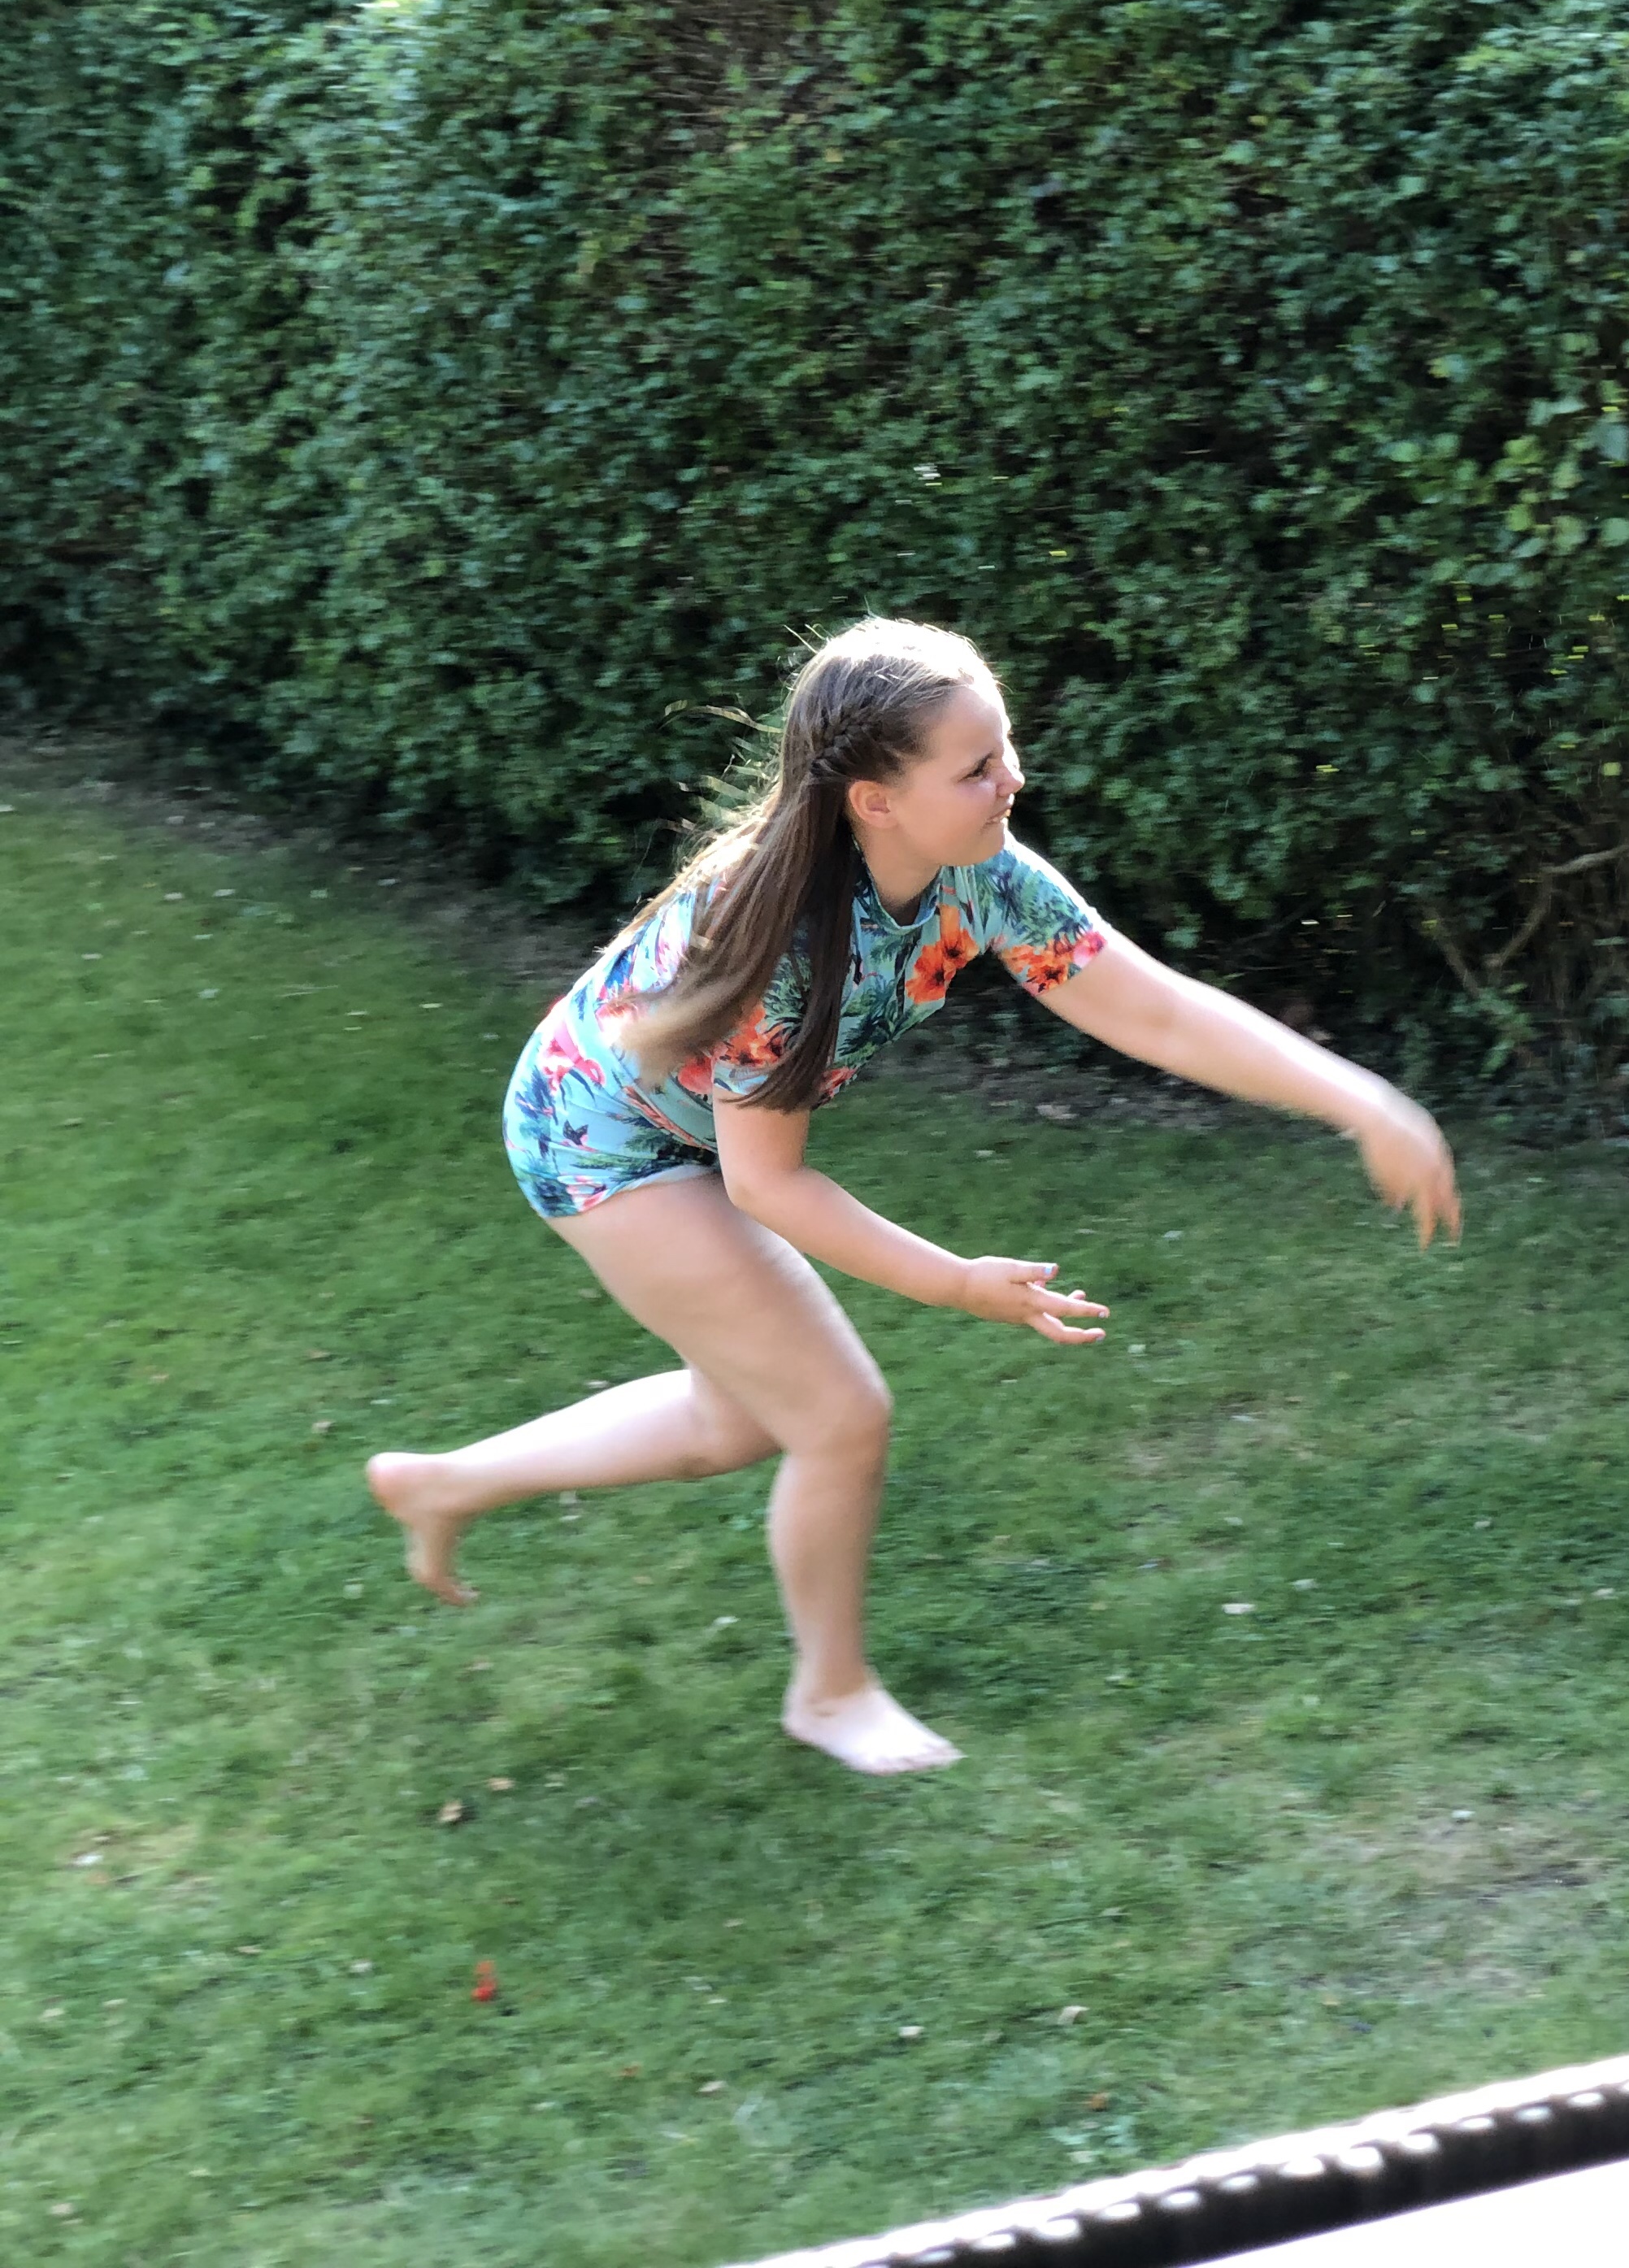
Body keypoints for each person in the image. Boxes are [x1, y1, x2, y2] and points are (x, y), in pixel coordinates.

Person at [367, 618, 1461, 1775]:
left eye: (1006, 747)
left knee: (742, 1418)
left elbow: (1155, 1010)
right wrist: (956, 1284)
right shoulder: (788, 945)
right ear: (876, 801)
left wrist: (1360, 1102)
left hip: (689, 1130)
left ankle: (444, 1485)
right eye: (978, 766)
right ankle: (830, 1694)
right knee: (839, 1417)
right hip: (602, 1144)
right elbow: (768, 1182)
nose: (1013, 778)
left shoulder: (979, 877)